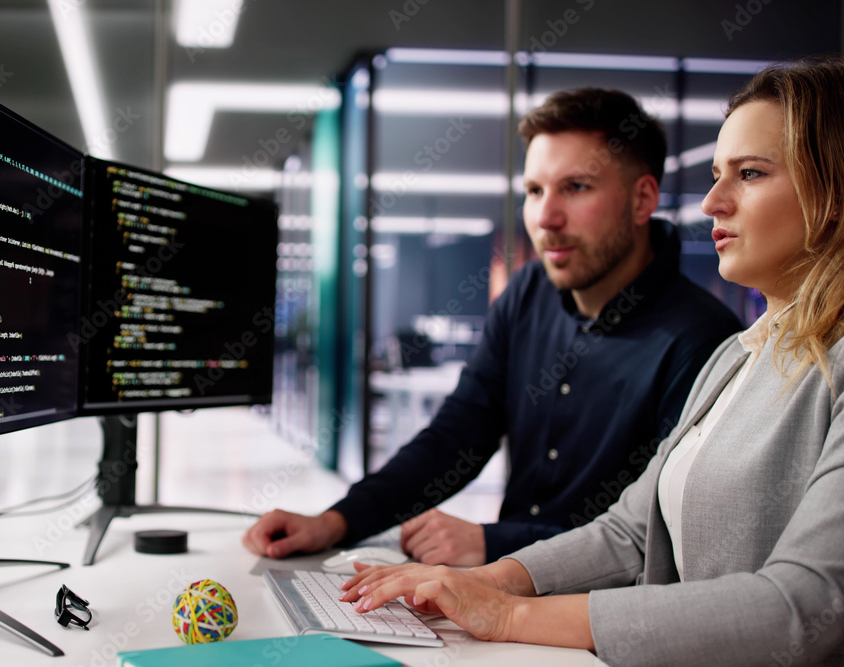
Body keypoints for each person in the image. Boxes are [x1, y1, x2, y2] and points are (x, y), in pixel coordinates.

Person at [340, 57, 844, 666]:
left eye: (751, 173)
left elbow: (810, 604)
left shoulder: (714, 340)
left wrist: (511, 613)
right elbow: (632, 530)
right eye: (716, 174)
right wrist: (490, 580)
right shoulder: (737, 359)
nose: (712, 201)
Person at [243, 88, 742, 566]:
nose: (545, 216)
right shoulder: (527, 295)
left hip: (602, 623)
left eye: (576, 187)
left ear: (642, 199)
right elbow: (457, 436)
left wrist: (491, 543)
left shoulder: (701, 339)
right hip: (502, 589)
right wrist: (336, 521)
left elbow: (655, 531)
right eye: (533, 190)